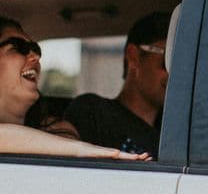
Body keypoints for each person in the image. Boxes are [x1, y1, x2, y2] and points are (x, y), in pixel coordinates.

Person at [0, 16, 146, 160]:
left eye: (35, 49)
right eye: (19, 48)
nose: (35, 57)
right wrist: (87, 150)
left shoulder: (59, 130)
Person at [63, 11, 170, 159]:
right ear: (134, 56)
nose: (176, 73)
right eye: (169, 60)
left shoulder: (177, 131)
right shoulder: (93, 113)